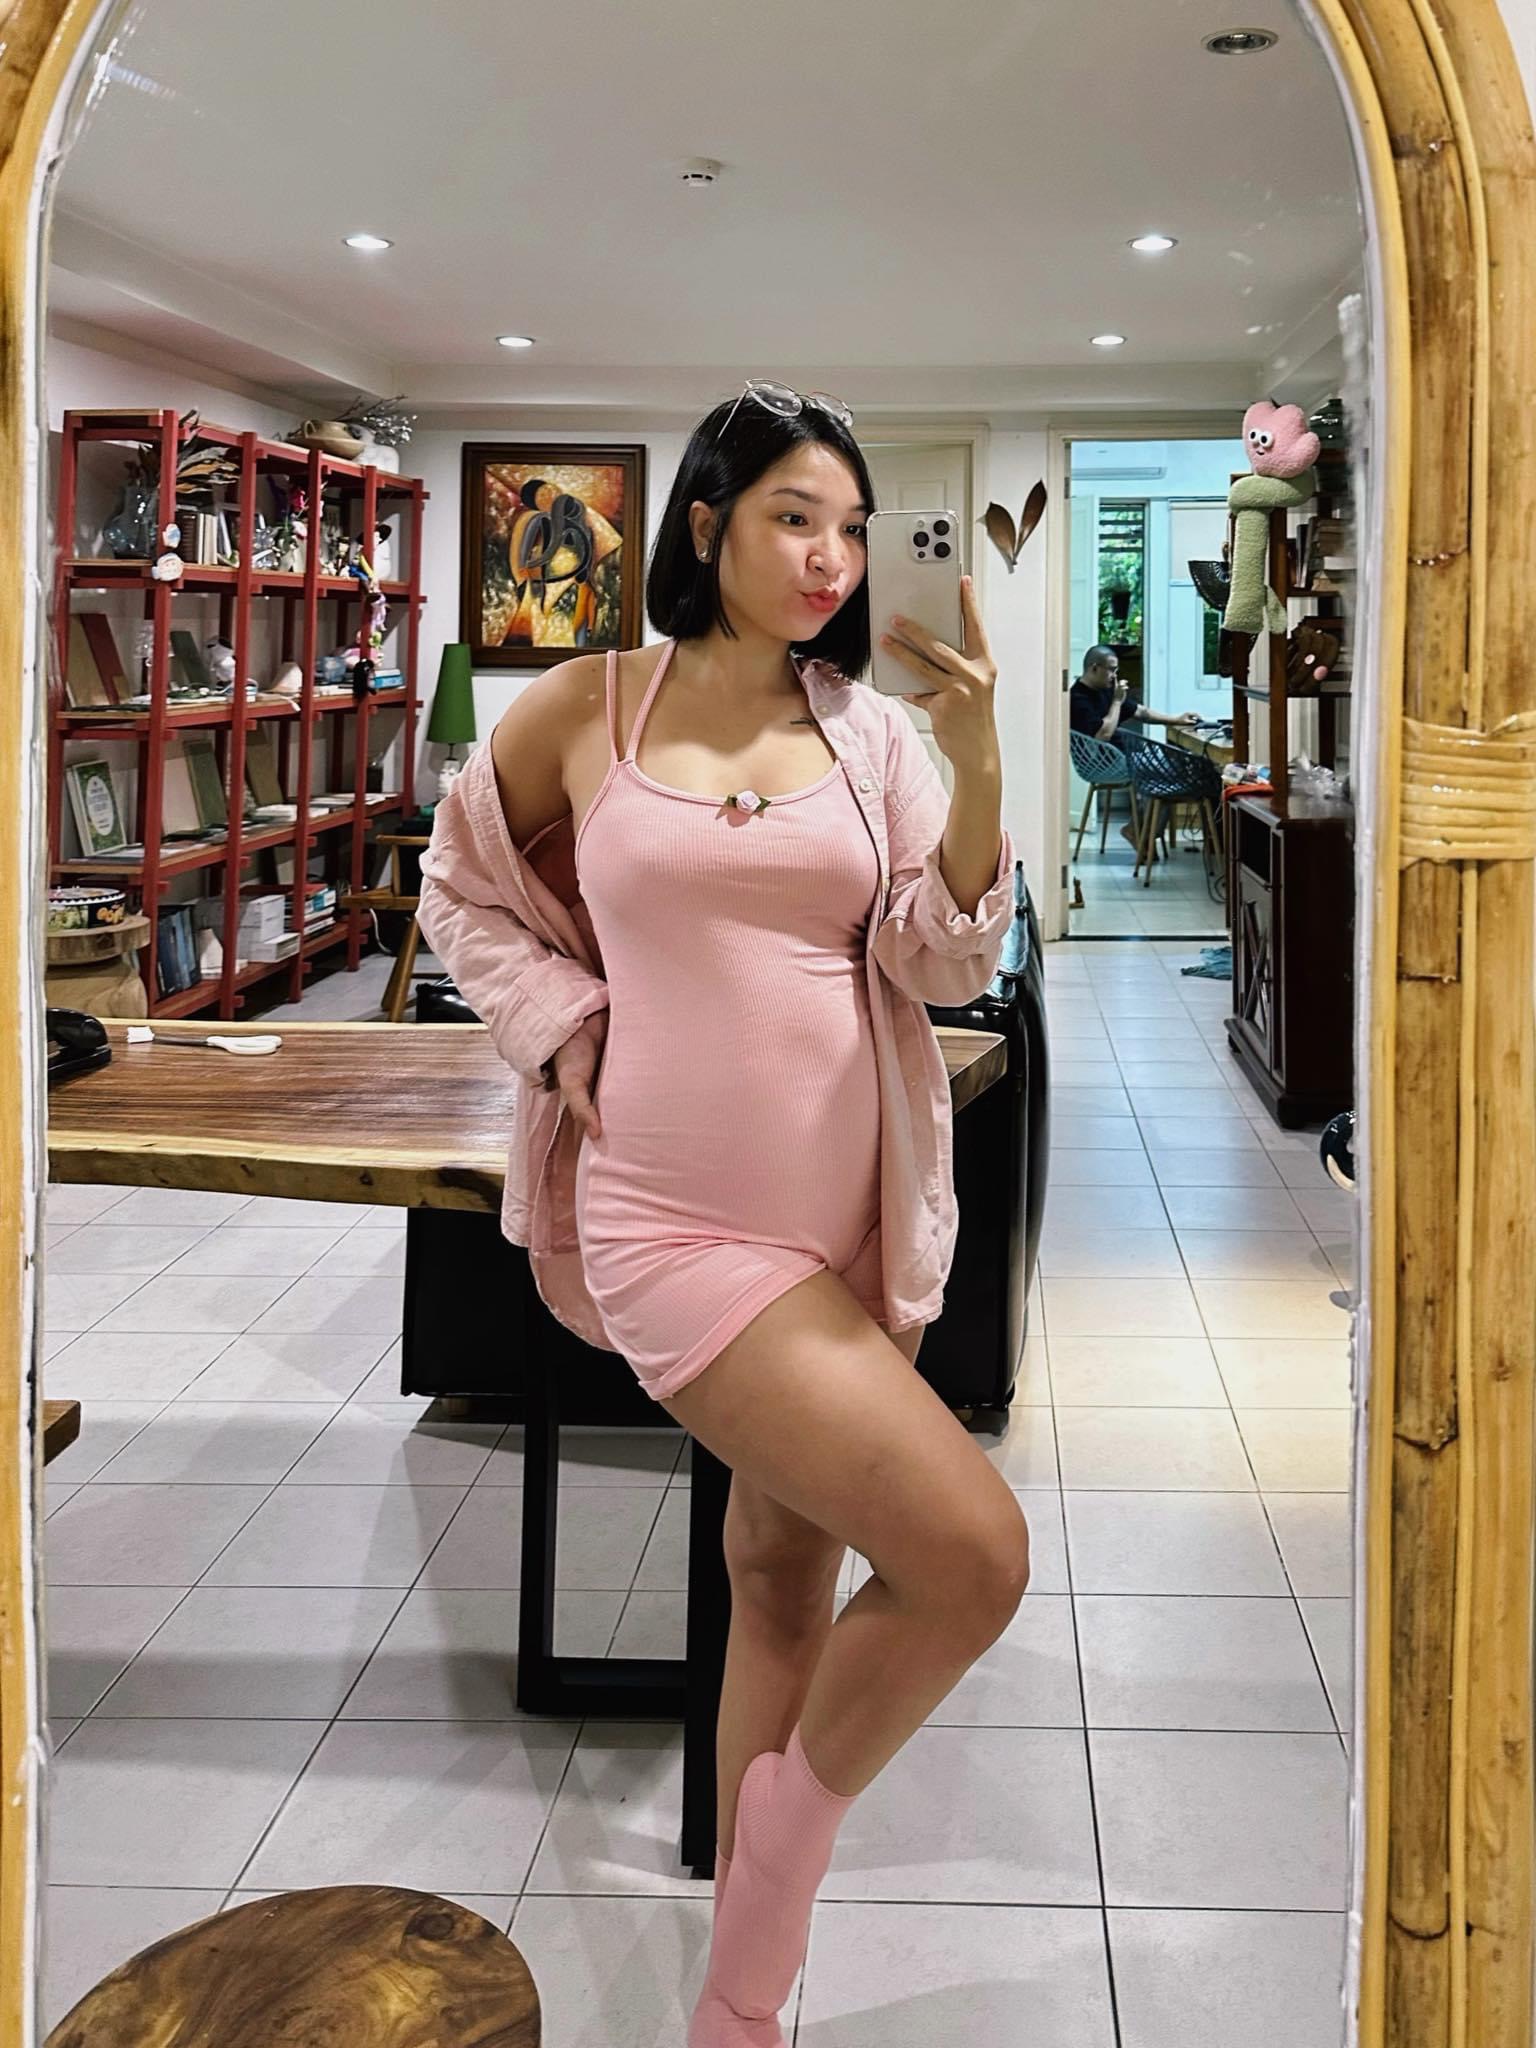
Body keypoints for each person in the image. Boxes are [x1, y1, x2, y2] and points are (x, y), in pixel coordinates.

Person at [417, 380, 1030, 2046]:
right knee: (974, 1558)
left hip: (850, 1230)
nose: (831, 555)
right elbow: (458, 888)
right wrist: (557, 1016)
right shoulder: (590, 706)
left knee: (778, 1574)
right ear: (707, 524)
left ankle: (735, 2006)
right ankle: (782, 1843)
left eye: (852, 526)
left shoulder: (872, 735)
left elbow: (940, 961)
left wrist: (976, 759)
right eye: (793, 517)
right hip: (677, 1226)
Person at [1069, 643, 1200, 747]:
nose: (1114, 676)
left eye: (1116, 671)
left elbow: (1140, 712)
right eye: (1111, 670)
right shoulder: (1078, 699)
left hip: (1125, 756)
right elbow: (1102, 736)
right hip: (1109, 765)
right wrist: (1116, 702)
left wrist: (1176, 719)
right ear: (1094, 668)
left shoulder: (1105, 689)